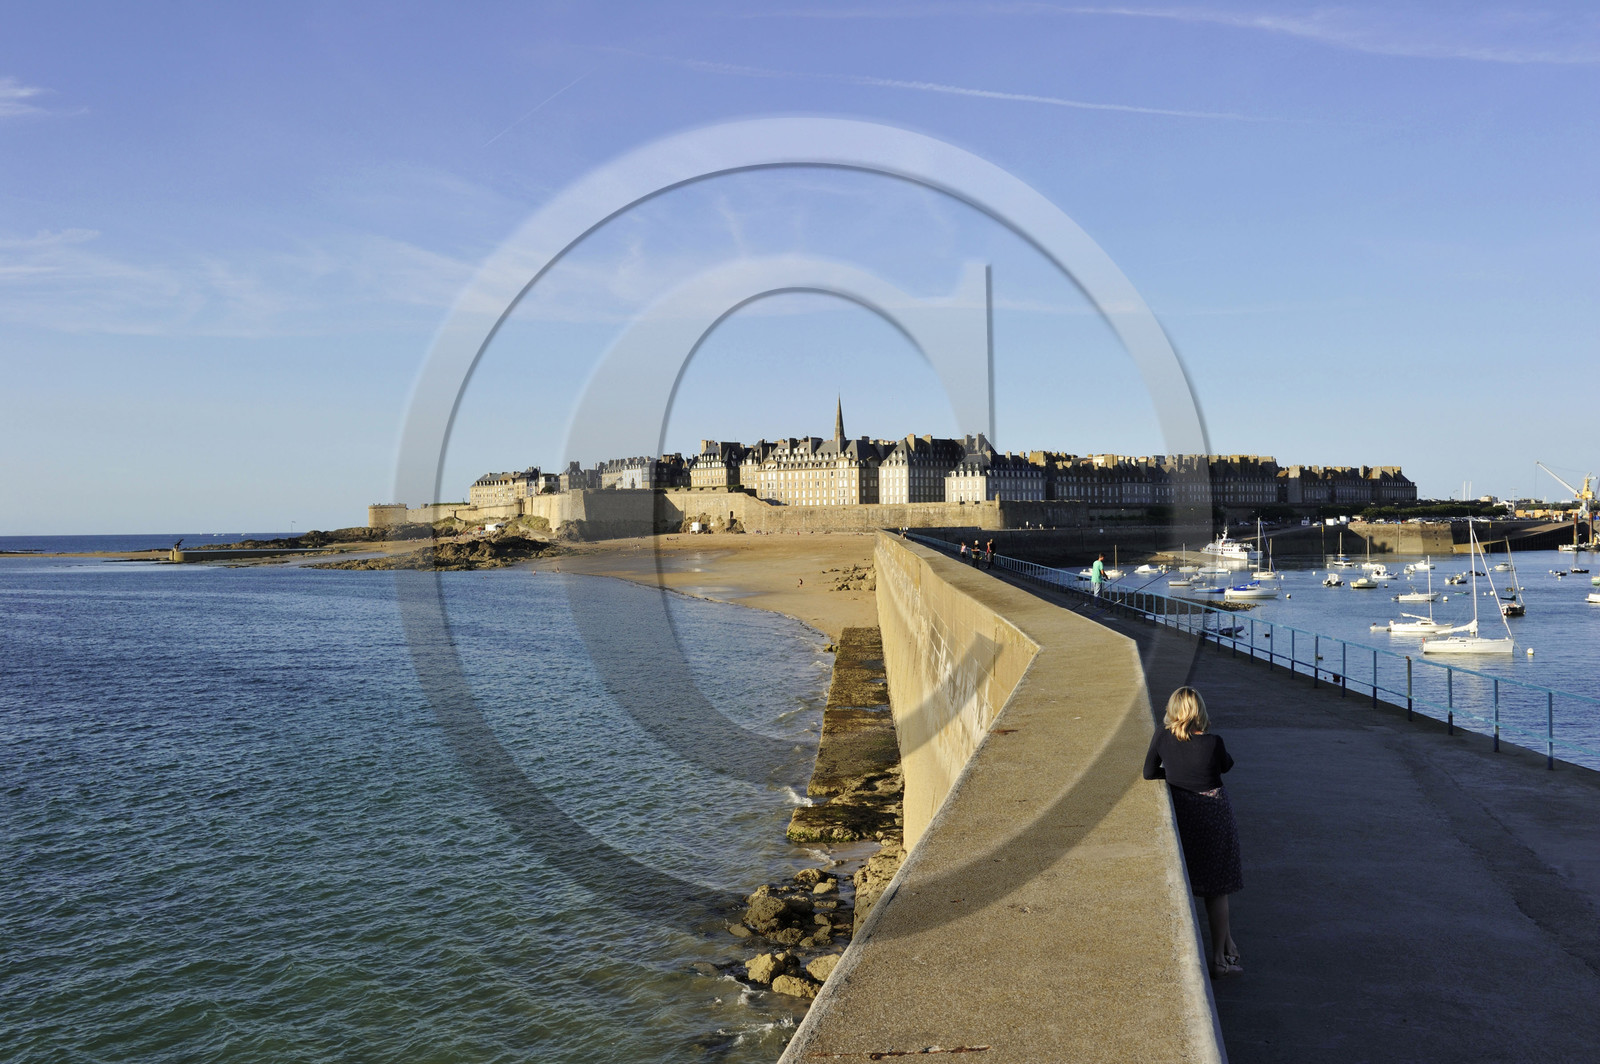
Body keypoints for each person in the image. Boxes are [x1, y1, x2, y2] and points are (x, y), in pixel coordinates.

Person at [1143, 687, 1244, 978]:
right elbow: (1227, 766)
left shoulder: (1162, 737)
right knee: (1217, 889)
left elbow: (1149, 773)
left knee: (1189, 879)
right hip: (1213, 813)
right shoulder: (1213, 742)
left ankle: (1229, 944)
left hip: (1184, 812)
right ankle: (1219, 958)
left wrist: (1175, 776)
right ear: (1199, 710)